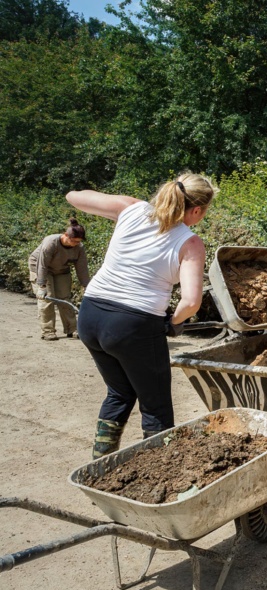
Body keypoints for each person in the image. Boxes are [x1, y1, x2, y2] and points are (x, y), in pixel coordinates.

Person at [67, 173, 217, 458]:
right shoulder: (190, 242)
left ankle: (101, 464)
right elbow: (190, 301)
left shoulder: (131, 208)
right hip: (132, 325)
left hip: (90, 315)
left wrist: (73, 192)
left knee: (119, 392)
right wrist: (172, 324)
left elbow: (75, 197)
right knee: (156, 407)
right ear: (196, 210)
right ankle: (158, 475)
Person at [28, 219, 90, 340]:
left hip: (61, 270)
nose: (76, 244)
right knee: (47, 298)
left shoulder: (79, 247)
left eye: (79, 241)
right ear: (66, 236)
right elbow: (42, 265)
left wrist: (86, 285)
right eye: (74, 241)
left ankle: (72, 328)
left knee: (64, 298)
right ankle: (48, 331)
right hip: (40, 268)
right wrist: (41, 286)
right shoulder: (51, 242)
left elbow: (82, 268)